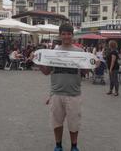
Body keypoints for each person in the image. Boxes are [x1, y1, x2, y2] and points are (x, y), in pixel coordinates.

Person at [39, 23, 89, 151]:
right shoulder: (53, 52)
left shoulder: (80, 52)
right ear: (60, 35)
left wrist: (92, 65)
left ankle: (74, 146)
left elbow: (84, 72)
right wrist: (38, 63)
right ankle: (58, 145)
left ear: (72, 35)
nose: (66, 36)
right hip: (57, 93)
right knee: (57, 123)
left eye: (69, 34)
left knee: (74, 123)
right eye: (64, 34)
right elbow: (46, 72)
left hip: (74, 94)